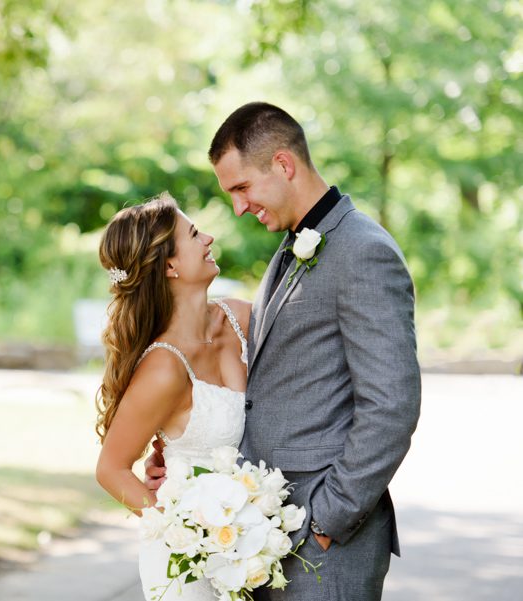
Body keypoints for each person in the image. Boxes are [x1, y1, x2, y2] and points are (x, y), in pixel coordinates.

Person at [146, 102, 421, 601]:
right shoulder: (287, 252)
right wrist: (183, 457)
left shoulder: (364, 251)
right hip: (269, 537)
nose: (237, 207)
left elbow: (391, 405)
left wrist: (329, 517)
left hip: (326, 546)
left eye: (241, 188)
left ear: (283, 165)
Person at [94, 192, 251, 600]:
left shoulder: (242, 318)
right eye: (195, 233)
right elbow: (111, 468)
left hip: (251, 546)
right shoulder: (164, 367)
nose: (210, 238)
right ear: (170, 266)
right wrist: (181, 530)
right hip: (187, 564)